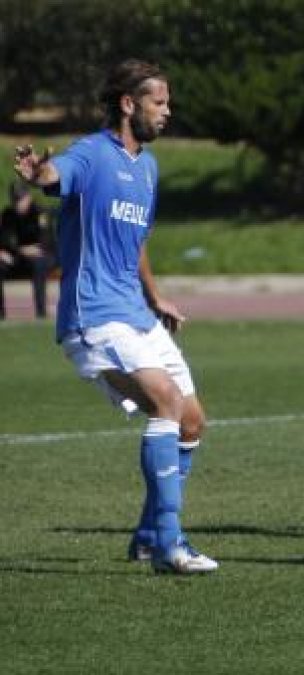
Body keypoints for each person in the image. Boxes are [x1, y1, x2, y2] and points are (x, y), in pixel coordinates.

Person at [11, 59, 216, 574]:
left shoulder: (147, 167)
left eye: (168, 103)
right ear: (129, 104)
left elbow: (137, 240)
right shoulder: (92, 153)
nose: (167, 112)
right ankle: (169, 545)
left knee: (192, 420)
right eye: (158, 102)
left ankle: (146, 538)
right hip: (94, 316)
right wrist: (39, 173)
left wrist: (155, 296)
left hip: (134, 312)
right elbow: (56, 175)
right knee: (165, 401)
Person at [0, 182, 54, 319]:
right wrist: (19, 250)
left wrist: (17, 250)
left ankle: (41, 314)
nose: (17, 203)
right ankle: (1, 316)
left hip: (44, 256)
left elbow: (44, 242)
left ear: (28, 197)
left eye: (20, 199)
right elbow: (5, 240)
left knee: (38, 265)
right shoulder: (8, 214)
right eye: (15, 199)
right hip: (19, 256)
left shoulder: (40, 213)